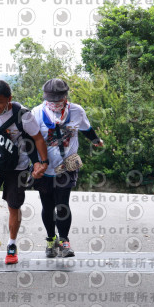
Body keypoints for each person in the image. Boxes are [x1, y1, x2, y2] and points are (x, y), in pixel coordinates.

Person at [0, 80, 49, 264]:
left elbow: (38, 138)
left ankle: (12, 245)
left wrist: (43, 162)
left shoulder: (23, 115)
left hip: (17, 167)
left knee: (14, 205)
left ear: (9, 99)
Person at [31, 78, 104, 258]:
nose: (55, 103)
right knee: (47, 205)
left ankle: (64, 241)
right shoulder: (37, 113)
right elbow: (30, 139)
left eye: (58, 99)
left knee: (62, 204)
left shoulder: (77, 111)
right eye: (51, 99)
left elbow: (86, 128)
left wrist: (96, 140)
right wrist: (35, 163)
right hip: (44, 167)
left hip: (67, 165)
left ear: (65, 97)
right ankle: (51, 240)